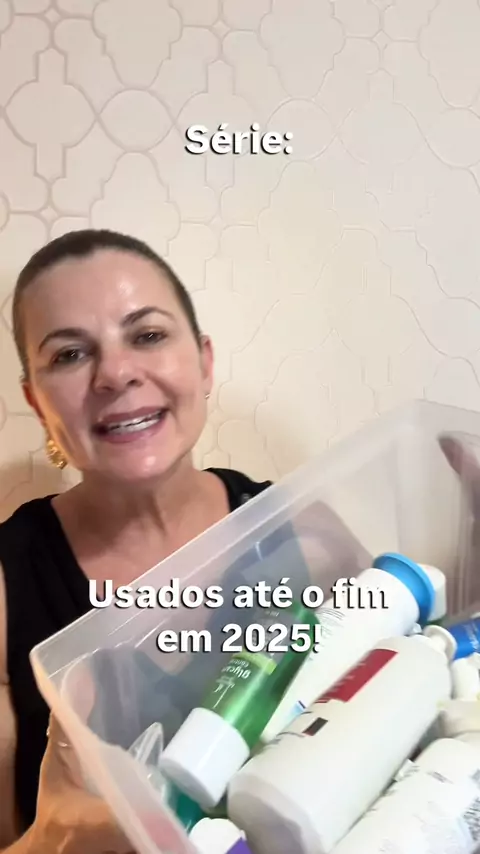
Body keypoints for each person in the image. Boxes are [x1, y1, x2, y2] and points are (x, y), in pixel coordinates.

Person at [0, 228, 273, 853]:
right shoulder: (7, 588)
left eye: (147, 335)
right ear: (37, 403)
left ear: (203, 361)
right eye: (70, 354)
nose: (116, 373)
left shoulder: (300, 533)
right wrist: (52, 838)